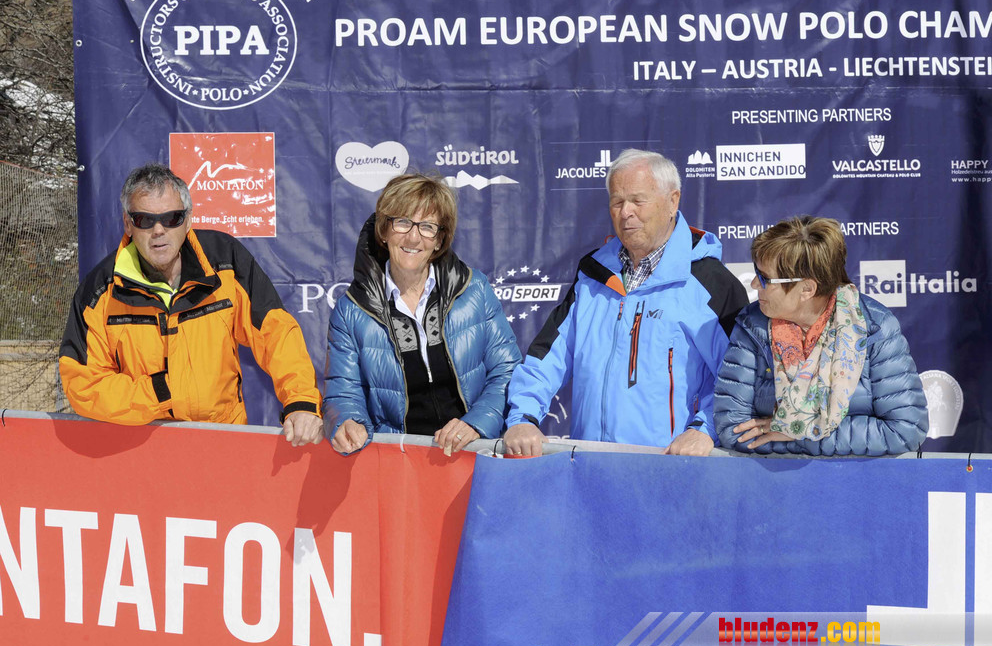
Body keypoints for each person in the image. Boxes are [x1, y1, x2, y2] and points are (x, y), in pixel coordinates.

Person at [503, 149, 748, 456]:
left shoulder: (711, 283)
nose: (625, 212)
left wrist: (705, 429)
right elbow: (547, 358)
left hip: (671, 467)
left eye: (637, 200)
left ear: (673, 201)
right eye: (617, 202)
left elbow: (741, 379)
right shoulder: (593, 274)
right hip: (590, 465)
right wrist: (523, 417)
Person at [59, 164, 323, 446]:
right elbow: (83, 384)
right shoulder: (100, 290)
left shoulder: (225, 261)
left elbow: (276, 333)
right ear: (128, 224)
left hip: (223, 443)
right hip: (139, 447)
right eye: (144, 220)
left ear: (187, 221)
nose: (158, 230)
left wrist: (301, 400)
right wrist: (161, 392)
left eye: (171, 218)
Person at [323, 173, 521, 456]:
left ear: (439, 240)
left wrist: (476, 424)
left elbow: (507, 370)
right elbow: (343, 391)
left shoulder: (474, 289)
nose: (413, 237)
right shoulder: (352, 309)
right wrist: (348, 421)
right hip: (397, 461)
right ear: (384, 231)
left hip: (473, 452)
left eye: (427, 226)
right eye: (403, 222)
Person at [714, 216, 928, 455]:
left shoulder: (876, 329)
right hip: (771, 477)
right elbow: (733, 429)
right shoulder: (751, 327)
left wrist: (799, 433)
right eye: (756, 273)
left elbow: (905, 431)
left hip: (852, 478)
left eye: (765, 278)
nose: (754, 284)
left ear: (807, 289)